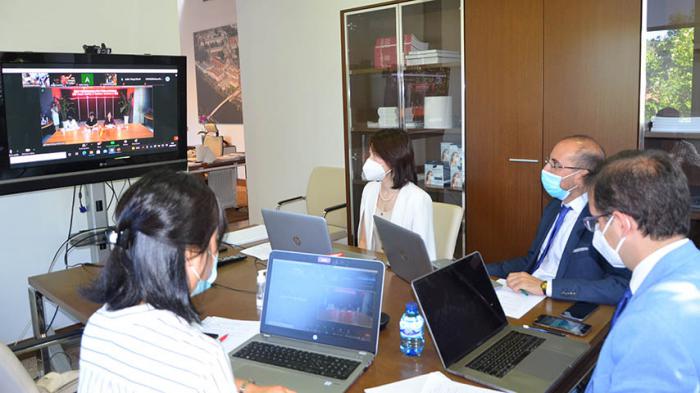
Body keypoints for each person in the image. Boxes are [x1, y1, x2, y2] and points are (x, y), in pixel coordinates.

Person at [78, 170, 294, 393]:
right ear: (191, 255)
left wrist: (247, 387)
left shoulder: (98, 325)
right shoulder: (201, 356)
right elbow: (194, 374)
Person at [585, 149, 700, 392]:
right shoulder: (690, 268)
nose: (595, 230)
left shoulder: (653, 324)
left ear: (621, 223)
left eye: (596, 221)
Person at [487, 135, 630, 304]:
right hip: (526, 296)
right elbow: (533, 259)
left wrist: (545, 287)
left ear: (581, 175)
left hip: (564, 303)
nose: (545, 169)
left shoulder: (602, 218)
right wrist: (482, 270)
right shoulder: (555, 206)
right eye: (548, 161)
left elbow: (620, 286)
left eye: (555, 165)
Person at [358, 129, 436, 261]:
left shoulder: (418, 199)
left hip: (404, 274)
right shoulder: (369, 190)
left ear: (393, 159)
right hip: (376, 267)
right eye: (370, 154)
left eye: (375, 155)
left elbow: (422, 257)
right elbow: (363, 242)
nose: (369, 160)